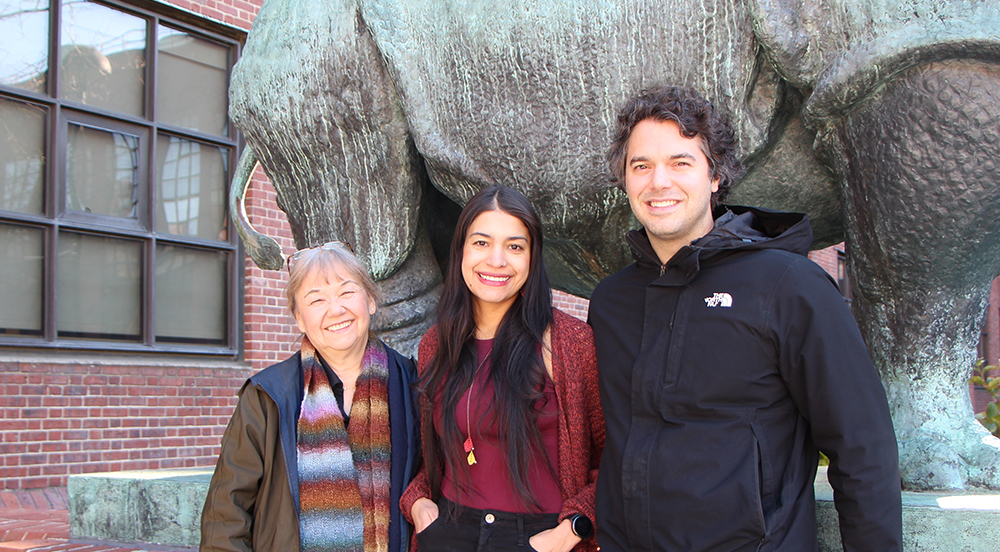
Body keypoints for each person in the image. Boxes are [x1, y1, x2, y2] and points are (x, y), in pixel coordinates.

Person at [588, 85, 903, 551]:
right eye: (641, 166)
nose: (659, 182)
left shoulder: (788, 285)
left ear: (715, 177)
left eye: (681, 162)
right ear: (625, 180)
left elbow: (862, 447)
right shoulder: (612, 301)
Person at [400, 185, 604, 552]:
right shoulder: (435, 345)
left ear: (532, 257)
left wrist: (571, 530)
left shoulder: (568, 343)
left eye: (514, 246)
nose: (496, 260)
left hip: (540, 537)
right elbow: (427, 455)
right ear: (461, 249)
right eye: (481, 243)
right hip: (448, 531)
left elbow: (615, 457)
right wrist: (418, 503)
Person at [200, 242, 420, 552]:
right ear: (299, 318)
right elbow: (226, 514)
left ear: (370, 300)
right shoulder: (267, 396)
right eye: (316, 299)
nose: (336, 309)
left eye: (347, 292)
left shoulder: (412, 382)